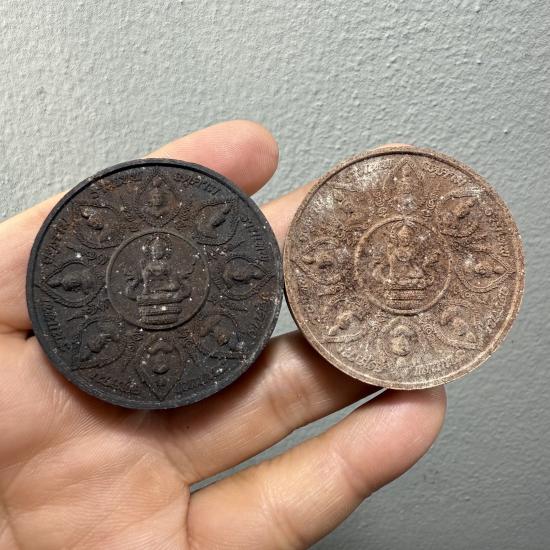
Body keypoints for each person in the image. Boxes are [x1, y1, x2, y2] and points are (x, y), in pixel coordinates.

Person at [0, 120, 446, 549]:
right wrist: (148, 284)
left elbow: (174, 282)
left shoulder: (177, 269)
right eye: (154, 251)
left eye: (160, 251)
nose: (158, 255)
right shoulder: (142, 270)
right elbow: (139, 285)